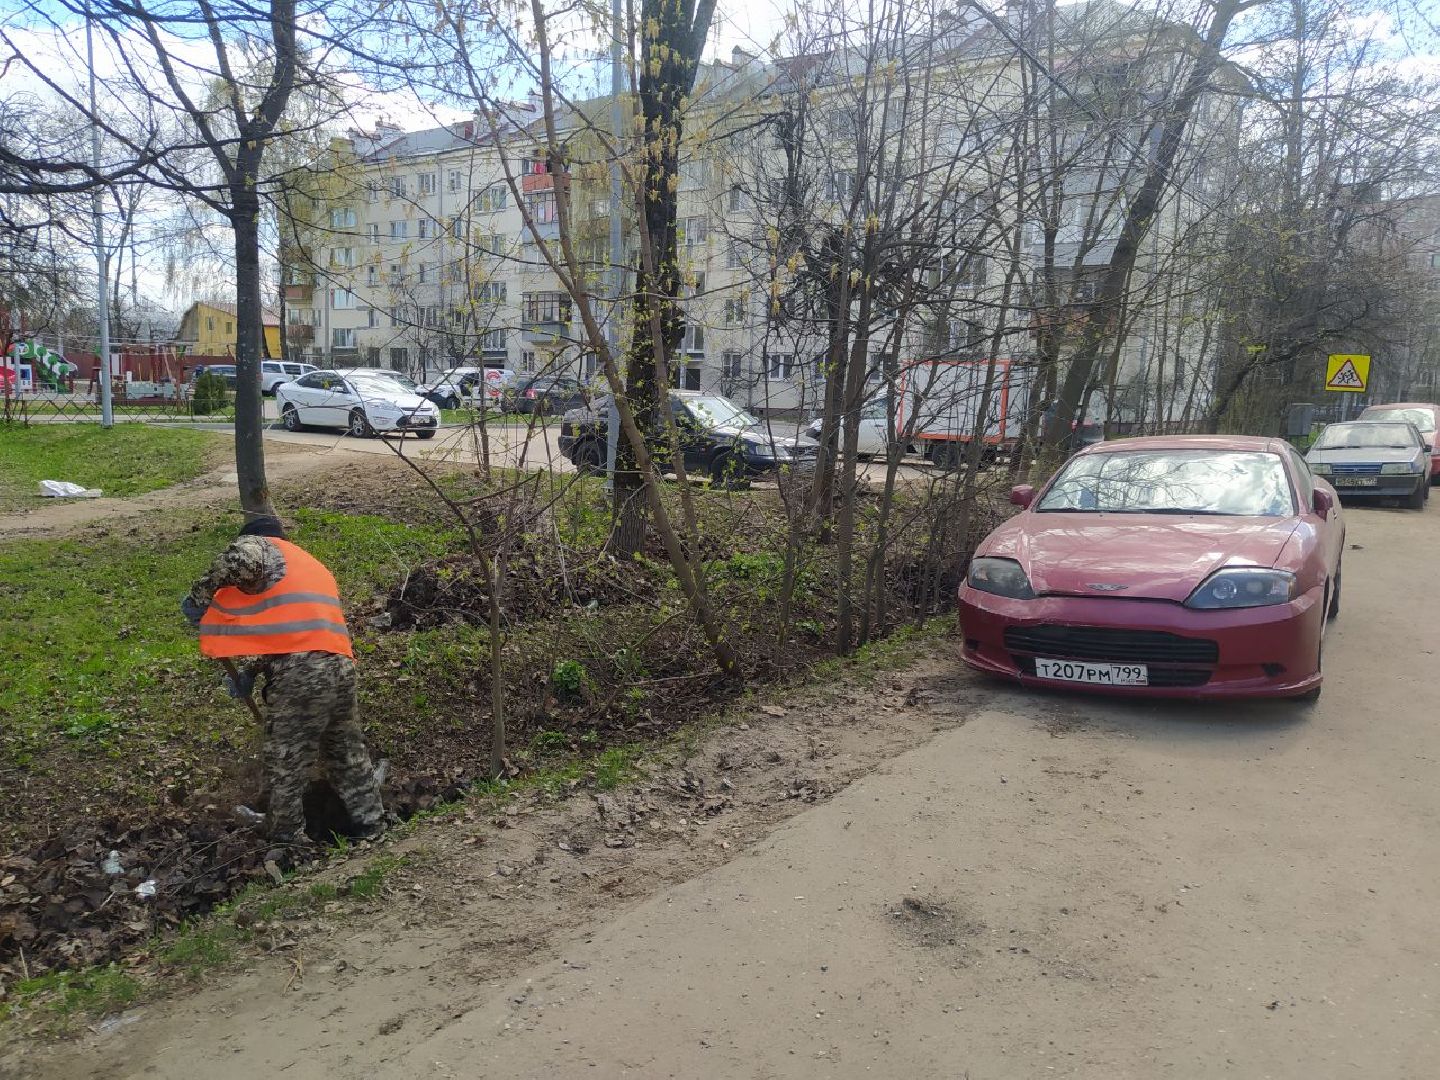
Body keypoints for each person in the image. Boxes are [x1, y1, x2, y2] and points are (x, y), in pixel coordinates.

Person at [182, 515, 386, 844]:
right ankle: (372, 827)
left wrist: (197, 600)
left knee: (286, 759)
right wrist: (251, 672)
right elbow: (295, 631)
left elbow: (237, 560)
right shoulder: (307, 565)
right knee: (346, 751)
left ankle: (288, 840)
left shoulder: (261, 548)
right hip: (340, 666)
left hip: (302, 673)